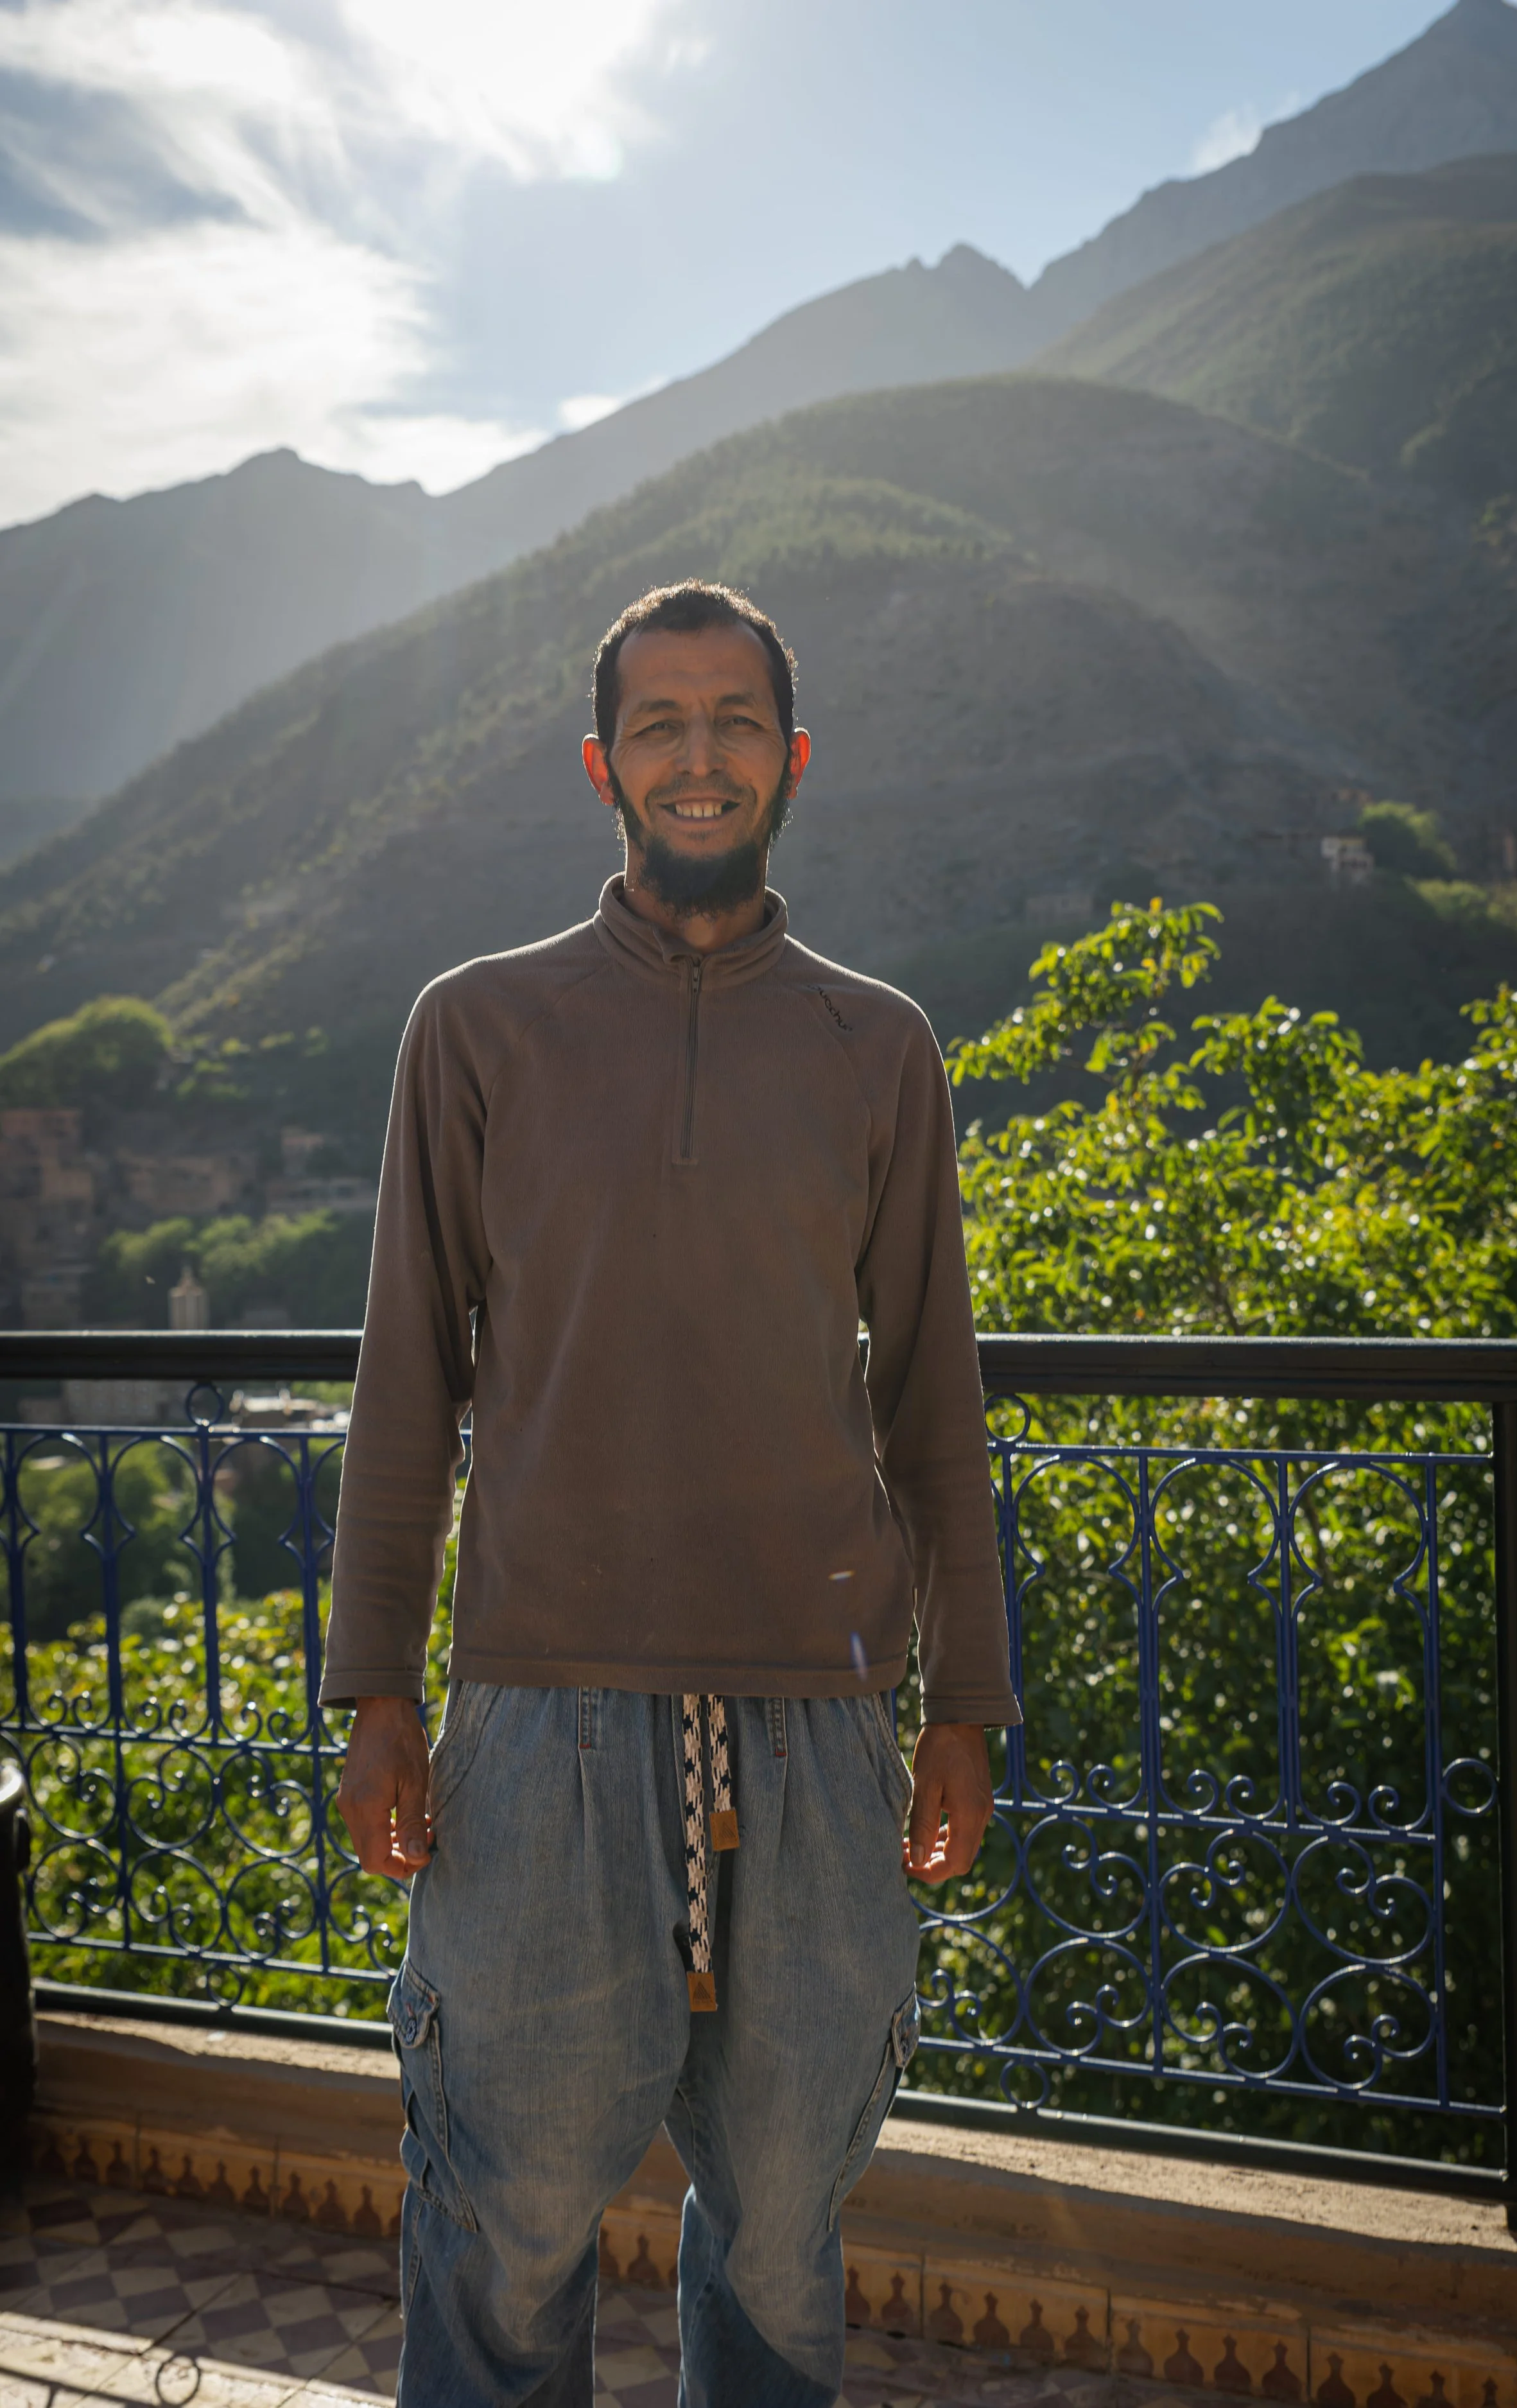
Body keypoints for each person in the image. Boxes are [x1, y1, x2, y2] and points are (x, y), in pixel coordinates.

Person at [325, 580, 1019, 2407]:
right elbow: (408, 1377)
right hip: (540, 1707)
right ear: (600, 765)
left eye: (730, 721)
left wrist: (966, 1700)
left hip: (821, 1713)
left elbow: (930, 1394)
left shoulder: (879, 1045)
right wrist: (375, 1691)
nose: (694, 754)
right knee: (515, 2210)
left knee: (787, 2217)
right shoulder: (476, 1029)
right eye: (657, 721)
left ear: (788, 762)